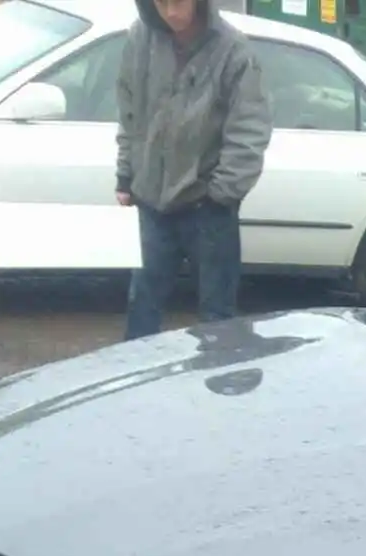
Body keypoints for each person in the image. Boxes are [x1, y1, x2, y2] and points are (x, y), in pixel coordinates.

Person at [115, 0, 272, 340]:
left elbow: (248, 131)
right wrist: (126, 174)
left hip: (208, 208)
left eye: (179, 2)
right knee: (142, 305)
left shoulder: (234, 50)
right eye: (162, 2)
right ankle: (135, 388)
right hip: (151, 203)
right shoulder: (140, 39)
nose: (171, 12)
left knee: (217, 317)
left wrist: (221, 195)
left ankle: (213, 388)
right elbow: (129, 112)